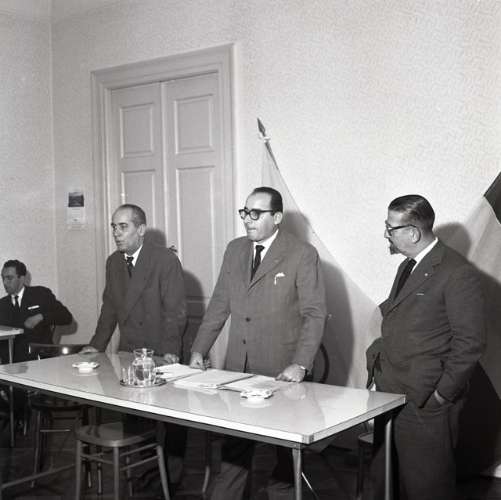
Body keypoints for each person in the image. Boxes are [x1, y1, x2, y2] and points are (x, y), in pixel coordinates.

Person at [190, 186, 326, 500]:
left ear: (276, 217)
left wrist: (300, 364)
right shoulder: (235, 249)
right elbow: (219, 303)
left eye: (256, 213)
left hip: (282, 371)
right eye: (245, 212)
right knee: (235, 448)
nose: (247, 219)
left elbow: (314, 314)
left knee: (284, 457)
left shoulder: (302, 253)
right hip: (239, 369)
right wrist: (199, 349)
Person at [365, 194, 485, 500]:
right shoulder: (408, 265)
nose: (386, 234)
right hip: (392, 392)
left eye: (390, 228)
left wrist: (441, 394)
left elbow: (470, 342)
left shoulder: (457, 272)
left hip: (425, 400)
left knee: (427, 487)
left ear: (413, 233)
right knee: (388, 479)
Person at [81, 203, 187, 491]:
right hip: (131, 352)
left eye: (123, 226)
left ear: (141, 229)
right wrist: (96, 345)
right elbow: (109, 308)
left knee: (172, 418)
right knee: (136, 416)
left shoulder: (164, 259)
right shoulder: (113, 263)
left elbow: (175, 311)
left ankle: (171, 478)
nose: (116, 233)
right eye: (114, 227)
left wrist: (170, 351)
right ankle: (146, 469)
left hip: (163, 350)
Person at [0, 259, 73, 362]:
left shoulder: (40, 294)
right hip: (11, 363)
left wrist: (41, 317)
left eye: (9, 278)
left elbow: (66, 317)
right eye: (3, 278)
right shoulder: (2, 304)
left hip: (39, 359)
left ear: (22, 278)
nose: (4, 282)